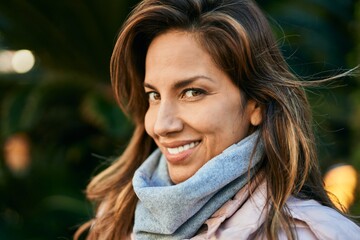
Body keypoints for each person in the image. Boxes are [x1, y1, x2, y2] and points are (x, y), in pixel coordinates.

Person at [75, 0, 360, 239]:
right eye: (154, 95)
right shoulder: (115, 219)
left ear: (256, 103)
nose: (162, 125)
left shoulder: (314, 234)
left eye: (191, 92)